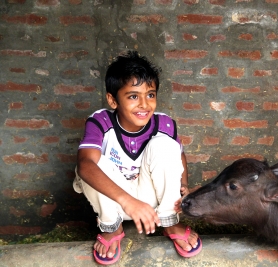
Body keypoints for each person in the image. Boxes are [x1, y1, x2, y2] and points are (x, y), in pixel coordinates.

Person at [73, 50, 202, 265]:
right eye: (133, 96)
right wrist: (127, 201)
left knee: (166, 144)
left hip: (152, 203)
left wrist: (184, 185)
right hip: (114, 203)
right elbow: (85, 166)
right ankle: (112, 228)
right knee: (92, 165)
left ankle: (169, 221)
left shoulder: (165, 124)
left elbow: (178, 155)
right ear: (113, 100)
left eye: (150, 95)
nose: (144, 104)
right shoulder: (100, 122)